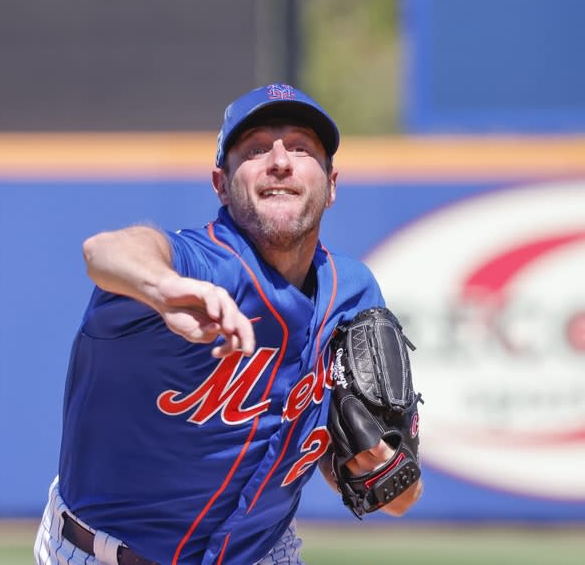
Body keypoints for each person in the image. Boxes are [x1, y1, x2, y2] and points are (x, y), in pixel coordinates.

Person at [34, 83, 423, 565]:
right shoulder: (201, 267)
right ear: (220, 184)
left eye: (301, 147)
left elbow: (400, 495)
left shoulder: (353, 292)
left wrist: (384, 472)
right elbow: (106, 250)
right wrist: (159, 285)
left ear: (331, 183)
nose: (279, 160)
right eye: (256, 149)